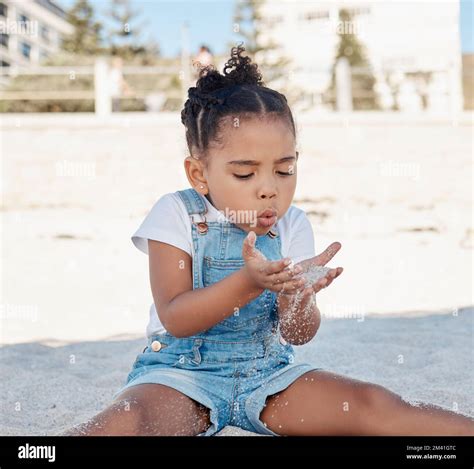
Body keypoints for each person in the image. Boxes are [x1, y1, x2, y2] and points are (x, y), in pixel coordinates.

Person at [64, 44, 474, 436]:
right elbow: (176, 316)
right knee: (127, 422)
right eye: (245, 173)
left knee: (374, 405)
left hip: (270, 378)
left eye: (284, 169)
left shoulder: (293, 224)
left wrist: (298, 296)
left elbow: (297, 334)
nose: (269, 189)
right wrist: (250, 281)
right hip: (179, 377)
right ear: (199, 174)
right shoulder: (176, 214)